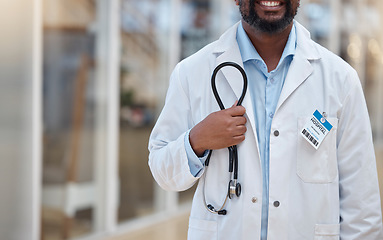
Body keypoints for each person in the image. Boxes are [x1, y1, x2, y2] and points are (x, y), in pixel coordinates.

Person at [148, 0, 383, 239]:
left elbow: (361, 203)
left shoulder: (341, 80)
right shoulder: (192, 72)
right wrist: (197, 140)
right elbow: (161, 170)